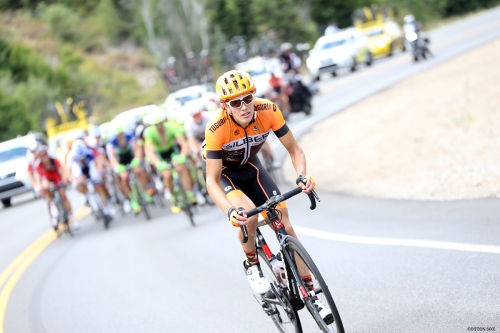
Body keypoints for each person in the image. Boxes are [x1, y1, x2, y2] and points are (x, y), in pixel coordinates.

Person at [203, 69, 332, 322]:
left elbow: (294, 150)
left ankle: (312, 293)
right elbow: (211, 181)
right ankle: (252, 264)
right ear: (224, 105)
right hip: (225, 175)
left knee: (284, 225)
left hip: (252, 167)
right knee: (248, 216)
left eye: (247, 98)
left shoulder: (268, 110)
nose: (243, 106)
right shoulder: (216, 128)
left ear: (254, 96)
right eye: (235, 102)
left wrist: (302, 176)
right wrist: (230, 211)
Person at [143, 110, 197, 213]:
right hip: (160, 154)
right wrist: (158, 163)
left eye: (160, 123)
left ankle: (189, 192)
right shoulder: (149, 132)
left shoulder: (171, 127)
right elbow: (149, 151)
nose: (159, 126)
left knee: (181, 167)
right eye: (156, 125)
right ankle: (172, 197)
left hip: (172, 151)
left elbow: (183, 143)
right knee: (166, 174)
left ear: (164, 121)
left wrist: (182, 155)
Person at [107, 125, 152, 214]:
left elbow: (137, 148)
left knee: (138, 171)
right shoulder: (111, 142)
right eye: (118, 134)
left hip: (131, 155)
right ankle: (132, 198)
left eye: (121, 134)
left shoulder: (129, 136)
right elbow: (112, 157)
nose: (120, 136)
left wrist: (137, 159)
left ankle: (145, 192)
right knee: (124, 177)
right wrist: (117, 167)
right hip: (121, 159)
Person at [66, 139, 113, 221]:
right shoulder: (71, 156)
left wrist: (99, 174)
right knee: (80, 180)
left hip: (89, 165)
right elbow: (68, 172)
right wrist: (73, 180)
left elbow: (98, 163)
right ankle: (84, 196)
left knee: (98, 185)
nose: (82, 159)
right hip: (78, 168)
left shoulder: (90, 151)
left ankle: (106, 209)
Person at [35, 145, 80, 231]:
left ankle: (72, 217)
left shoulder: (54, 160)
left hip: (56, 178)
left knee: (63, 195)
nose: (44, 158)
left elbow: (61, 171)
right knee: (46, 188)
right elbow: (38, 178)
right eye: (42, 156)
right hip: (47, 179)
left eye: (45, 155)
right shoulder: (39, 165)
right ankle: (53, 213)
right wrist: (39, 187)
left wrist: (63, 180)